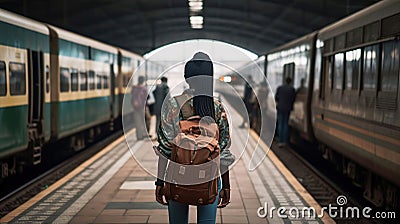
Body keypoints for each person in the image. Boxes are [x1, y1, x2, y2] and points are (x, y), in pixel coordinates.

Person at [154, 52, 235, 224]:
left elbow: (165, 150)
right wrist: (225, 186)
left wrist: (160, 182)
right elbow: (223, 153)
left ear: (186, 78)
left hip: (177, 177)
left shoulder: (173, 105)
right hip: (210, 179)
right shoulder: (216, 108)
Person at [275, 76, 296, 147]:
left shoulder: (280, 88)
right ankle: (284, 141)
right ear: (290, 82)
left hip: (280, 108)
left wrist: (279, 102)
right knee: (286, 124)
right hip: (288, 108)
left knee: (281, 123)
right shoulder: (292, 89)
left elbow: (276, 97)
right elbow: (293, 99)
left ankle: (280, 140)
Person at [131, 76, 149, 140]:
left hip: (135, 107)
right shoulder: (143, 88)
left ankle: (139, 136)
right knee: (145, 120)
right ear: (143, 80)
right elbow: (147, 97)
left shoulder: (134, 88)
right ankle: (144, 133)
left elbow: (132, 97)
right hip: (142, 107)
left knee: (137, 121)